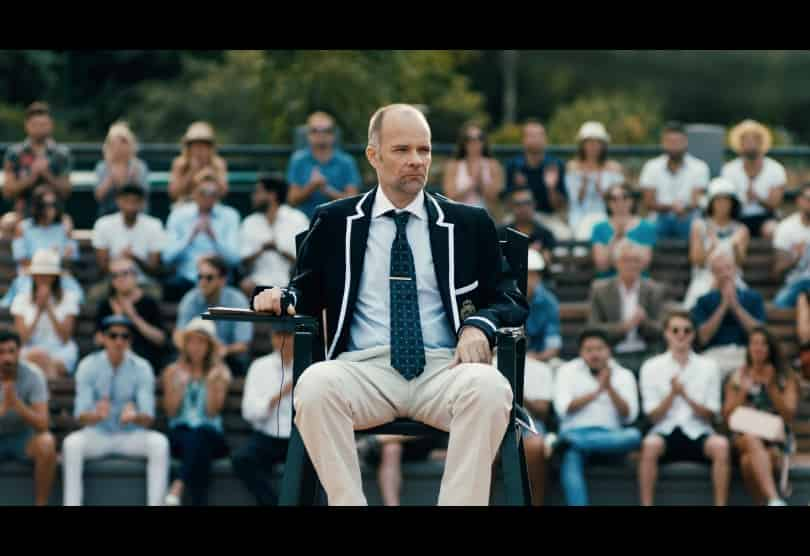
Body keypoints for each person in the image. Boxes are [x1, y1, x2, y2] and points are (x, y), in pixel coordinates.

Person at [252, 103, 528, 506]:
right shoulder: (335, 221)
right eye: (402, 150)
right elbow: (307, 289)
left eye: (424, 150)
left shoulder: (469, 223)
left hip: (443, 368)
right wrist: (282, 296)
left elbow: (509, 297)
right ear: (373, 155)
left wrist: (479, 325)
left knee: (490, 388)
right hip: (364, 369)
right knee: (312, 386)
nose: (416, 161)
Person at [62, 315, 170, 506]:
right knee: (71, 444)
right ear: (102, 338)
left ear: (130, 340)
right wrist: (96, 415)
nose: (119, 341)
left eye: (124, 336)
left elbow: (148, 417)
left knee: (159, 443)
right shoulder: (88, 365)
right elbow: (80, 416)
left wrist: (135, 417)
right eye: (113, 335)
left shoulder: (142, 367)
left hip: (130, 435)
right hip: (98, 433)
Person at [637, 310, 730, 506]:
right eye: (675, 330)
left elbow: (710, 414)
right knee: (649, 445)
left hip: (698, 431)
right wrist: (672, 394)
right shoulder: (650, 367)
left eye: (687, 330)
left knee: (721, 445)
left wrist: (685, 395)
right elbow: (652, 416)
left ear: (693, 334)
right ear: (666, 334)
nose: (681, 335)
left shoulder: (709, 366)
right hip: (665, 430)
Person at [553, 328, 641, 506]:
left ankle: (568, 441)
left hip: (612, 438)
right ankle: (573, 443)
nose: (595, 354)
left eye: (599, 349)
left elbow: (629, 416)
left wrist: (610, 388)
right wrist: (596, 392)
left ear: (609, 350)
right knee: (570, 456)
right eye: (589, 350)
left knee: (634, 436)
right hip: (577, 430)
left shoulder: (624, 375)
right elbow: (563, 408)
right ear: (581, 352)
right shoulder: (567, 371)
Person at [722, 327, 799, 506]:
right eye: (754, 343)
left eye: (764, 344)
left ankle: (769, 502)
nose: (758, 348)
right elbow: (727, 416)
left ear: (771, 348)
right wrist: (742, 390)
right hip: (742, 436)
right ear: (748, 347)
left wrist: (771, 387)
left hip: (775, 437)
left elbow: (789, 414)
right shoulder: (737, 375)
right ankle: (774, 499)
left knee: (748, 463)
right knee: (750, 436)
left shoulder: (785, 377)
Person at [162, 318, 231, 506]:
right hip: (181, 434)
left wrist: (210, 383)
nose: (195, 346)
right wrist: (179, 386)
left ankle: (178, 486)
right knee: (198, 450)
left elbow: (211, 413)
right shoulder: (172, 371)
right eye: (191, 341)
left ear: (209, 346)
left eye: (201, 342)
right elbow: (171, 411)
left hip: (210, 434)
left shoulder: (220, 372)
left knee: (200, 436)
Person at [231, 325, 295, 506]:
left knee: (318, 464)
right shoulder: (259, 366)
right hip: (267, 436)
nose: (284, 340)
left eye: (288, 335)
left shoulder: (308, 365)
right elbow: (249, 412)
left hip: (298, 437)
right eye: (279, 335)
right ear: (272, 338)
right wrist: (278, 395)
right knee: (242, 459)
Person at [587, 239, 665, 374]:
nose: (631, 265)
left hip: (647, 352)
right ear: (616, 263)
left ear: (642, 264)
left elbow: (661, 329)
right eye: (626, 260)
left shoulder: (654, 290)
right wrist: (625, 326)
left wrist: (644, 321)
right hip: (612, 352)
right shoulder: (600, 289)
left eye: (636, 260)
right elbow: (594, 328)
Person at [162, 172, 241, 302]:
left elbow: (235, 259)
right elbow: (167, 257)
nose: (207, 197)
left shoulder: (230, 215)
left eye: (212, 193)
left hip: (219, 279)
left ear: (218, 195)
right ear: (193, 193)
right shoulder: (178, 215)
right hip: (186, 279)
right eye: (203, 192)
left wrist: (215, 238)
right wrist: (189, 237)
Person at [0, 328, 57, 506]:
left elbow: (43, 424)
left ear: (19, 352)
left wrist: (17, 405)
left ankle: (41, 504)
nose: (7, 358)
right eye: (1, 352)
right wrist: (3, 408)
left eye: (11, 351)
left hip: (24, 438)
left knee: (47, 443)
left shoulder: (33, 375)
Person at [691, 249, 766, 380]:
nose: (724, 274)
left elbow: (759, 334)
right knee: (703, 373)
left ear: (736, 270)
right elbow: (702, 338)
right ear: (713, 274)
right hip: (714, 354)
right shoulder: (703, 301)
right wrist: (723, 306)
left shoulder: (753, 297)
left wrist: (736, 307)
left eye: (728, 268)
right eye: (719, 270)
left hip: (745, 352)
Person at [2, 102, 72, 238]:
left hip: (54, 214)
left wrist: (46, 174)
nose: (39, 129)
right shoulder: (14, 153)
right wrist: (32, 176)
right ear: (26, 125)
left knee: (67, 227)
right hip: (22, 213)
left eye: (43, 124)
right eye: (35, 125)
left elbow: (66, 191)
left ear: (51, 125)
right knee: (6, 224)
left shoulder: (61, 154)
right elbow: (8, 191)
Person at [88, 183, 165, 305]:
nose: (130, 206)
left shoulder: (154, 225)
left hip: (142, 282)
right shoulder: (103, 224)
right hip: (112, 281)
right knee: (94, 295)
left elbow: (153, 268)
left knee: (155, 295)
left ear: (142, 203)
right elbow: (102, 267)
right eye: (126, 201)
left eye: (135, 202)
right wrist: (120, 262)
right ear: (118, 201)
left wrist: (134, 258)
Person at [176, 255, 253, 376]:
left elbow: (243, 344)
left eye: (209, 278)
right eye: (200, 277)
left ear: (222, 280)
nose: (203, 282)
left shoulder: (237, 301)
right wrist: (191, 352)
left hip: (228, 356)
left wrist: (223, 350)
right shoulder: (190, 298)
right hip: (194, 355)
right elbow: (179, 335)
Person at [239, 174, 310, 298]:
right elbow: (243, 262)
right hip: (256, 283)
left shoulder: (298, 219)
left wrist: (278, 249)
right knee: (246, 284)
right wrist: (261, 250)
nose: (253, 197)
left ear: (272, 195)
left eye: (258, 192)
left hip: (290, 283)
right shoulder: (249, 222)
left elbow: (305, 260)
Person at [11, 249, 79, 378]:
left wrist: (48, 308)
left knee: (42, 362)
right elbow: (22, 339)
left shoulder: (69, 298)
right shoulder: (21, 299)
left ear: (54, 277)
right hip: (30, 351)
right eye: (39, 274)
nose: (42, 278)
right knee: (36, 357)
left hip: (60, 351)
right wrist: (38, 311)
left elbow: (64, 337)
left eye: (47, 274)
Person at [683, 177, 749, 309]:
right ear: (711, 203)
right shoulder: (698, 226)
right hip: (704, 278)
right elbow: (697, 261)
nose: (723, 204)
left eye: (727, 200)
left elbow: (741, 264)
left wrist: (735, 247)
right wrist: (711, 248)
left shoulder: (741, 230)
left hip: (732, 279)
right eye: (718, 200)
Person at [640, 122, 711, 240]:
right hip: (659, 217)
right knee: (646, 229)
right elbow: (648, 202)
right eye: (670, 142)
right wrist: (672, 208)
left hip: (688, 216)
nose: (674, 146)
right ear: (663, 143)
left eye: (678, 142)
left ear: (686, 142)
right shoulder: (651, 166)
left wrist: (682, 209)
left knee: (696, 228)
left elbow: (696, 201)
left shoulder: (700, 167)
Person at [95, 256, 166, 373]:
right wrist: (118, 318)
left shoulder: (149, 303)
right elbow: (98, 340)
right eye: (115, 275)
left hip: (145, 363)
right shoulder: (105, 304)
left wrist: (133, 317)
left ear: (135, 276)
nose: (120, 279)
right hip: (111, 364)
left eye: (124, 274)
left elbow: (160, 339)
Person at [286, 111, 363, 219]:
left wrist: (327, 190)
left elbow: (354, 203)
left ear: (333, 134)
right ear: (308, 134)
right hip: (303, 223)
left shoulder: (347, 162)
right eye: (315, 130)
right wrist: (311, 187)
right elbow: (292, 201)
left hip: (339, 221)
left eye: (327, 130)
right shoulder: (298, 160)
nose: (321, 134)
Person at [504, 119, 570, 240]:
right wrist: (517, 189)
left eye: (539, 135)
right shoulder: (513, 165)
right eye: (531, 136)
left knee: (564, 235)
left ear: (545, 139)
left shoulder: (555, 165)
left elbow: (560, 206)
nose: (535, 139)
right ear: (523, 140)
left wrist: (551, 188)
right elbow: (507, 204)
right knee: (501, 233)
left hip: (547, 216)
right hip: (518, 217)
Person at [721, 120, 786, 239]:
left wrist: (757, 198)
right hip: (737, 217)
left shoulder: (776, 169)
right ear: (739, 144)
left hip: (765, 217)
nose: (750, 144)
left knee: (773, 230)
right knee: (736, 233)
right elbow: (725, 202)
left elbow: (774, 204)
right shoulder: (729, 169)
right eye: (746, 141)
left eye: (754, 141)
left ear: (762, 143)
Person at [565, 121, 625, 239]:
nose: (593, 146)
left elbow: (617, 200)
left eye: (597, 142)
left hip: (607, 216)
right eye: (589, 142)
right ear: (582, 145)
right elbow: (575, 201)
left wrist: (601, 189)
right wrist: (584, 184)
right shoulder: (572, 167)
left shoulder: (614, 168)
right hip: (579, 217)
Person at [591, 182, 657, 279]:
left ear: (632, 200)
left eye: (625, 197)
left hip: (639, 283)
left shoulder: (646, 227)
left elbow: (644, 263)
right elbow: (602, 265)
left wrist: (619, 252)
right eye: (613, 198)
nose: (619, 202)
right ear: (608, 203)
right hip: (608, 284)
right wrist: (616, 238)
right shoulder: (599, 228)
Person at [442, 122, 504, 219]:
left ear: (484, 141)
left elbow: (494, 198)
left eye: (479, 138)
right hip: (459, 217)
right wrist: (472, 184)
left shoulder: (493, 165)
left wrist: (481, 183)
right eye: (469, 139)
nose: (474, 143)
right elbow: (450, 196)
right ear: (463, 142)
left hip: (486, 218)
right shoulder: (453, 165)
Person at [12, 184, 78, 271]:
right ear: (36, 206)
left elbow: (72, 258)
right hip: (29, 276)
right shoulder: (23, 227)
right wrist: (46, 264)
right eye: (46, 205)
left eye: (54, 204)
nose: (51, 209)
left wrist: (66, 255)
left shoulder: (64, 227)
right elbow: (21, 259)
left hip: (59, 277)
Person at [93, 121, 150, 218]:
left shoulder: (140, 166)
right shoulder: (102, 166)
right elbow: (98, 196)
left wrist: (133, 178)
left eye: (123, 142)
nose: (119, 146)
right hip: (108, 215)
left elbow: (144, 194)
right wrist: (111, 179)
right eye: (115, 142)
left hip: (137, 215)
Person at [168, 121, 228, 205]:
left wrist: (212, 177)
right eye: (195, 145)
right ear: (188, 147)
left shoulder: (218, 163)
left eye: (204, 145)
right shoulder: (180, 163)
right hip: (185, 206)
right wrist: (191, 172)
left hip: (211, 206)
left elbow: (223, 192)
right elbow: (173, 193)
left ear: (210, 147)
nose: (199, 149)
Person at [498, 186, 556, 268]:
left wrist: (541, 256)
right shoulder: (501, 233)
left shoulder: (545, 234)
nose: (523, 208)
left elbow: (548, 264)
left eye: (527, 203)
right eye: (518, 204)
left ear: (534, 204)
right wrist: (528, 252)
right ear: (511, 207)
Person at [772, 183, 810, 308]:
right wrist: (796, 257)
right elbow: (778, 270)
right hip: (796, 283)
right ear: (799, 200)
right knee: (780, 303)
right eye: (808, 198)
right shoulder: (786, 227)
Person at [524, 248, 562, 366]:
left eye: (533, 274)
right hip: (508, 358)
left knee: (556, 365)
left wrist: (535, 358)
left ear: (539, 276)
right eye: (526, 274)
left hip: (539, 360)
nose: (529, 279)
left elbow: (553, 346)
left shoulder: (549, 302)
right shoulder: (506, 298)